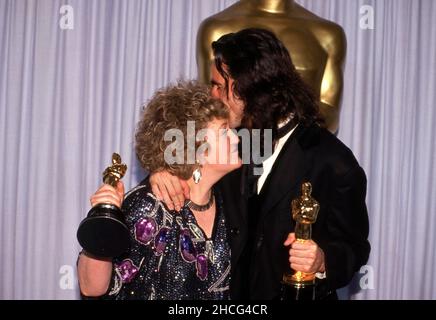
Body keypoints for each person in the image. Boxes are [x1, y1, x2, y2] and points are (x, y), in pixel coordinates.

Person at [151, 29, 370, 300]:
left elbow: (354, 247)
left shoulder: (333, 161)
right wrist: (162, 172)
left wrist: (322, 260)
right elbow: (187, 172)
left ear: (249, 86)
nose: (213, 95)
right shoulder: (227, 144)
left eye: (219, 85)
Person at [77, 81, 242, 299]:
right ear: (194, 146)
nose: (236, 138)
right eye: (223, 132)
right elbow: (92, 288)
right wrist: (103, 221)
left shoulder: (230, 199)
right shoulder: (148, 207)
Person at [196, 0, 347, 133]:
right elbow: (207, 105)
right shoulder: (216, 27)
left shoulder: (328, 35)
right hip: (237, 152)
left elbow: (329, 110)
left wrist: (286, 139)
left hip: (301, 152)